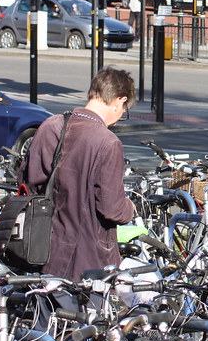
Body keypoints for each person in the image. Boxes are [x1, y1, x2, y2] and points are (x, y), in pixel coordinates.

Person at [19, 67, 136, 282]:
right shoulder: (108, 142)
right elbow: (111, 208)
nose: (120, 117)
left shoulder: (52, 125)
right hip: (87, 258)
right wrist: (129, 208)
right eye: (123, 110)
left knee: (44, 311)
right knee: (87, 313)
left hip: (41, 247)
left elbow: (27, 181)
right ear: (119, 100)